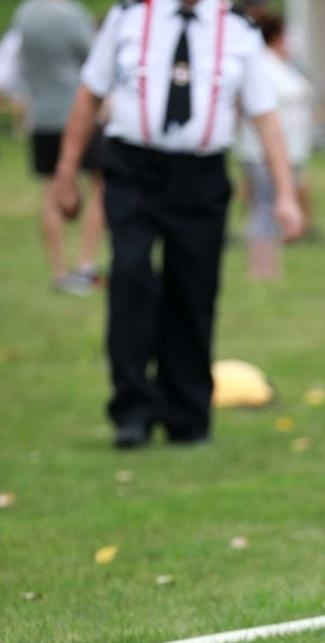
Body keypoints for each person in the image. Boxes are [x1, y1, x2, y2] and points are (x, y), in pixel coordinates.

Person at [52, 0, 302, 449]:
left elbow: (265, 117)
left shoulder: (237, 29)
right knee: (131, 276)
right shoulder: (128, 18)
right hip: (134, 170)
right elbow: (89, 94)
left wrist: (285, 195)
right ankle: (132, 411)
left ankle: (186, 415)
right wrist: (66, 173)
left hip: (201, 177)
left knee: (193, 289)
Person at [10, 0, 106, 294]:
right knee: (99, 185)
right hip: (79, 115)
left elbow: (16, 61)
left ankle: (58, 270)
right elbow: (96, 63)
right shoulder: (73, 16)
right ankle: (85, 264)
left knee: (51, 190)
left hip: (42, 116)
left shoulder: (23, 14)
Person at [236, 11, 314, 279]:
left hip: (288, 150)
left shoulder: (282, 66)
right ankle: (260, 267)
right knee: (264, 209)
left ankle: (269, 265)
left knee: (271, 208)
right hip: (262, 153)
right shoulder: (262, 66)